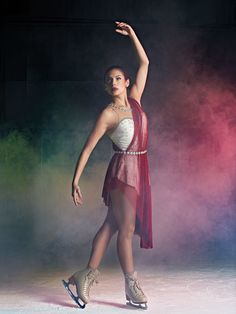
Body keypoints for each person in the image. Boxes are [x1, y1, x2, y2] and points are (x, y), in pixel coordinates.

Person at [62, 21, 153, 310]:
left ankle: (83, 275)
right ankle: (132, 286)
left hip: (139, 169)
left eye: (117, 78)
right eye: (108, 80)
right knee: (125, 230)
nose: (113, 82)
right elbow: (88, 148)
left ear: (126, 82)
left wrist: (132, 35)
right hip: (122, 173)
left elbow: (145, 61)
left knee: (111, 225)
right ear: (106, 87)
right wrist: (74, 181)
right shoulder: (108, 114)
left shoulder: (136, 99)